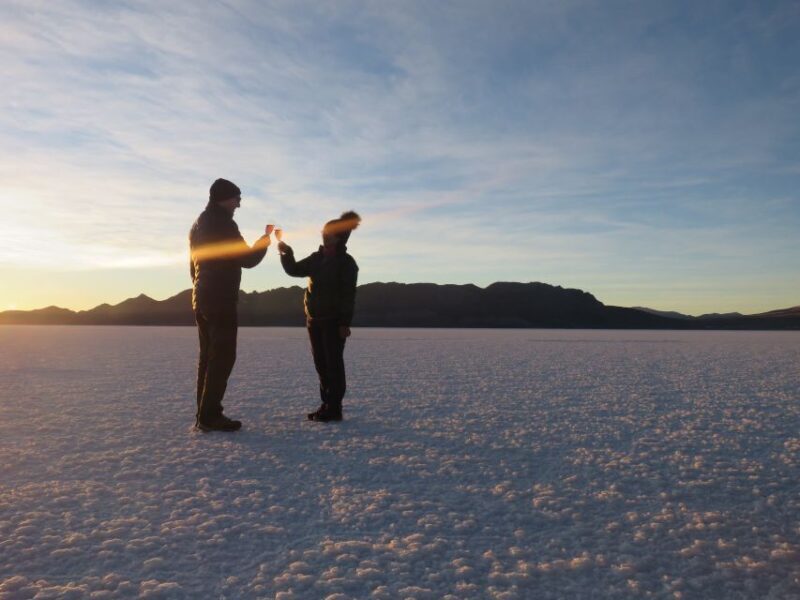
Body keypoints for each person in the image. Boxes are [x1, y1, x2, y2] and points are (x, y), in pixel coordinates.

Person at [190, 178, 273, 432]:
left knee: (208, 357)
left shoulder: (198, 224)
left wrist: (198, 289)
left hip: (202, 297)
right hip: (220, 299)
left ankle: (204, 414)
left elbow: (193, 263)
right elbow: (246, 259)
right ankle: (210, 415)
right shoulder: (224, 224)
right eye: (237, 198)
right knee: (223, 356)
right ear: (223, 198)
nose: (239, 203)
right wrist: (264, 241)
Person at [277, 211, 361, 422]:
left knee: (333, 365)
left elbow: (348, 295)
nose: (324, 236)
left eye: (329, 233)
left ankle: (334, 408)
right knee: (321, 365)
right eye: (324, 232)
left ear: (340, 236)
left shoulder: (347, 263)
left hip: (333, 322)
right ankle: (326, 404)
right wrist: (287, 253)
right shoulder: (317, 258)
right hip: (314, 320)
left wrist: (344, 322)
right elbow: (294, 270)